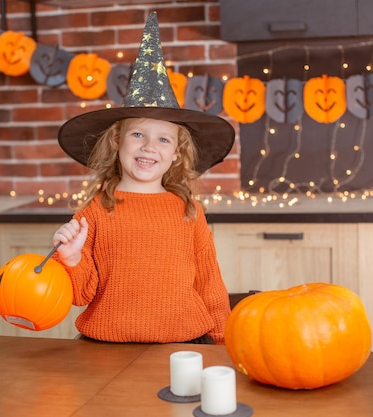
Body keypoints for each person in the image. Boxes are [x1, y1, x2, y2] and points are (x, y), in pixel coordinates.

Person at [52, 11, 235, 344]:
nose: (149, 147)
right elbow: (81, 294)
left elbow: (209, 281)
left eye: (163, 139)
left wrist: (222, 341)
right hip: (106, 348)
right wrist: (72, 258)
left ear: (177, 153)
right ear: (117, 141)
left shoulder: (188, 209)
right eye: (137, 135)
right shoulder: (92, 213)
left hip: (186, 344)